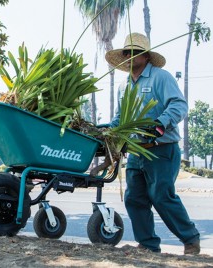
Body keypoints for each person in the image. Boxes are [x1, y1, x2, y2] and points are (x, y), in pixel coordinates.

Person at [100, 32, 200, 254]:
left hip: (161, 149)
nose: (130, 55)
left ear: (145, 56)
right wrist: (108, 130)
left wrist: (160, 123)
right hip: (136, 152)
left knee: (161, 196)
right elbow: (120, 118)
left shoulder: (161, 78)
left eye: (135, 52)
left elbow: (178, 105)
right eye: (127, 52)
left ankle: (191, 239)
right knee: (134, 199)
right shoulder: (123, 87)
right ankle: (147, 245)